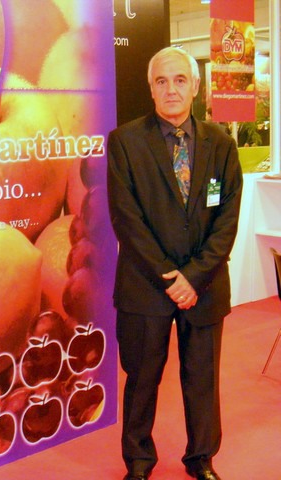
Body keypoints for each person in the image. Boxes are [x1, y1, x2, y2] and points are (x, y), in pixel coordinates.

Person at [107, 46, 243, 480]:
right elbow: (126, 220)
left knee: (202, 379)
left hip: (204, 287)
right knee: (142, 380)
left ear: (196, 86)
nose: (171, 89)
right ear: (150, 88)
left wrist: (194, 277)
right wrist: (171, 277)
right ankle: (138, 462)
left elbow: (227, 220)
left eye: (180, 80)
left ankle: (201, 459)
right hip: (145, 285)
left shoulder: (222, 145)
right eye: (162, 81)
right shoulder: (125, 142)